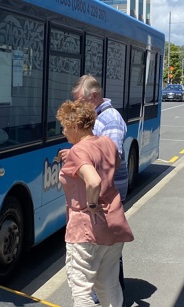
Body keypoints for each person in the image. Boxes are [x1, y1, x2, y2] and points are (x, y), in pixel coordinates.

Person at [57, 99, 134, 307]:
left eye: (65, 126)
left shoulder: (78, 152)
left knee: (81, 287)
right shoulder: (106, 143)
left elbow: (93, 181)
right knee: (109, 284)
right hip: (113, 222)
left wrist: (91, 204)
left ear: (75, 125)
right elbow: (114, 164)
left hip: (86, 228)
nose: (63, 131)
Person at [68, 75, 129, 297]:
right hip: (104, 192)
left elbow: (114, 158)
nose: (77, 107)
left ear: (94, 96)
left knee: (106, 248)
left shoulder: (109, 120)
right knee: (107, 247)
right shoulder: (99, 117)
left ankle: (105, 293)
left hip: (106, 193)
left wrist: (83, 160)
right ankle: (108, 292)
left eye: (80, 101)